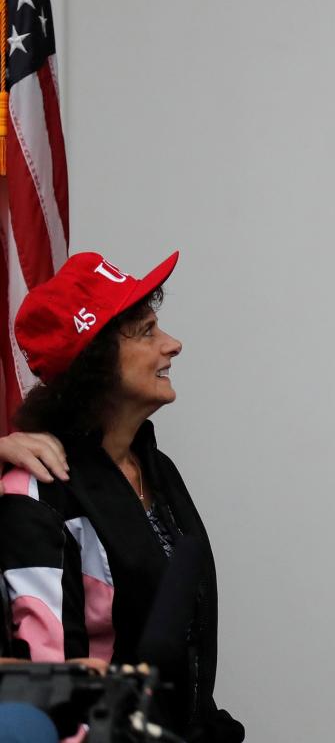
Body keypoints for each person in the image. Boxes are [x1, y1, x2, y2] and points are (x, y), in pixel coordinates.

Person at [0, 252, 242, 743]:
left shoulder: (156, 469)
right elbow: (49, 692)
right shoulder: (35, 492)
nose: (172, 345)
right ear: (96, 361)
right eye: (147, 331)